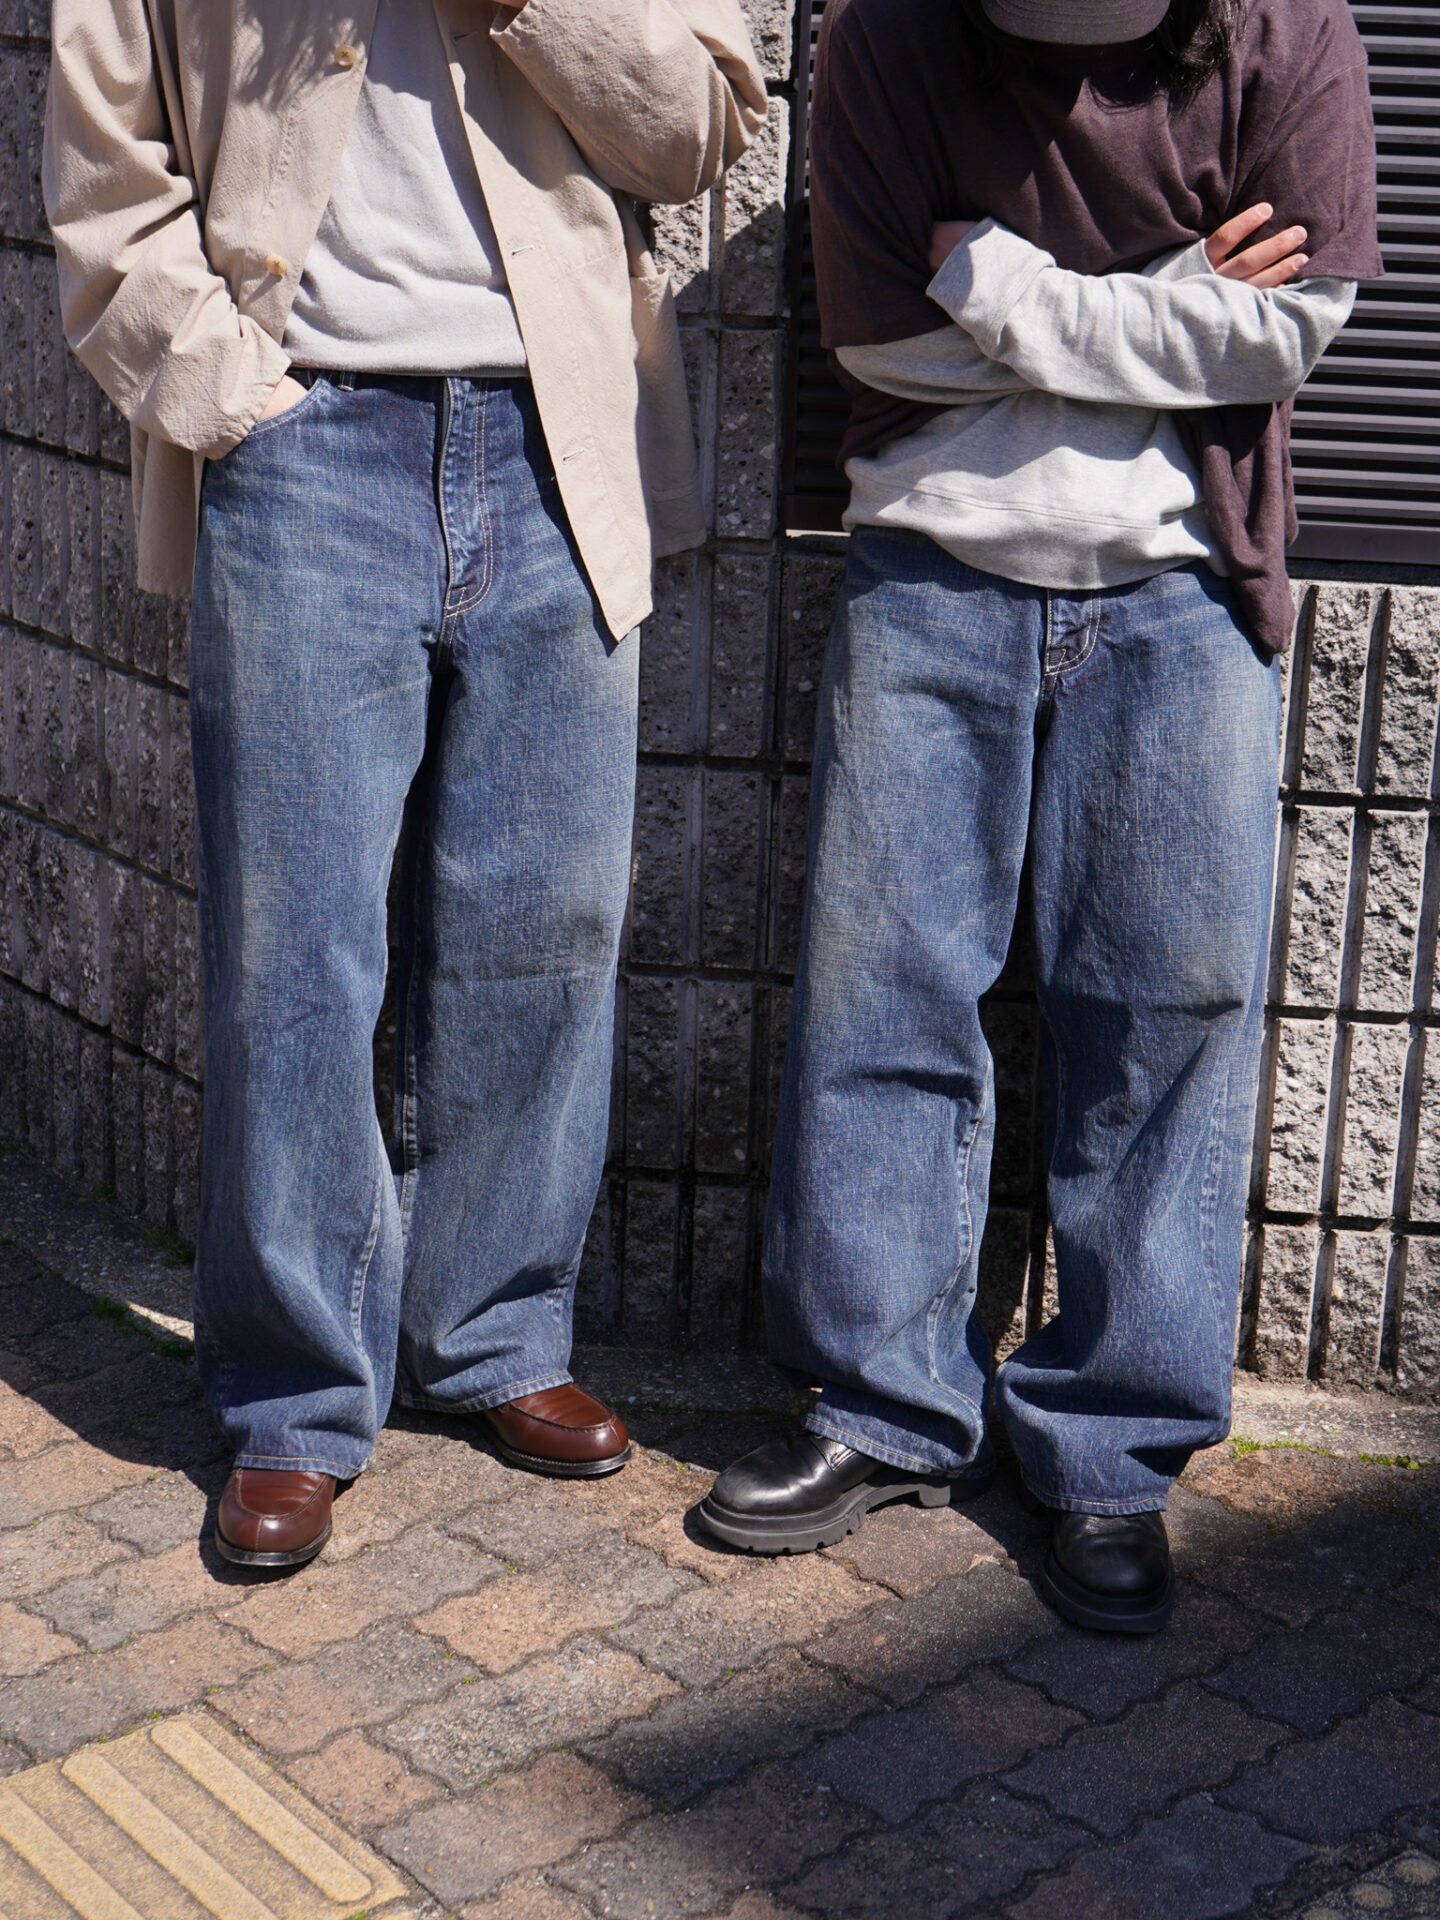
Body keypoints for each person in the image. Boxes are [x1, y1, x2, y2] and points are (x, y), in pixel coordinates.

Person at [44, 0, 766, 1568]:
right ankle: (295, 1394)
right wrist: (231, 390)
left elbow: (698, 130)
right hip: (305, 438)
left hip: (555, 433)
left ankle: (493, 1332)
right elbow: (106, 164)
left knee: (544, 928)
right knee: (294, 950)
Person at [699, 0, 1380, 1632]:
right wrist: (1178, 299)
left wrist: (1001, 286)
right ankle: (882, 1403)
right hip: (931, 566)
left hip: (1183, 588)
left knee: (1164, 1020)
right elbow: (876, 341)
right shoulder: (887, 34)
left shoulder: (1291, 31)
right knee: (885, 999)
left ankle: (1116, 1449)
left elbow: (1290, 332)